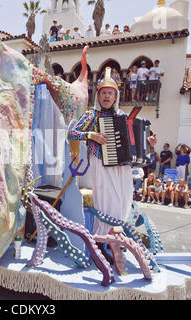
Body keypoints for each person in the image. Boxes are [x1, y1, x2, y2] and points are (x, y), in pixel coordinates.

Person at [68, 67, 157, 261]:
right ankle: (100, 243)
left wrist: (148, 144)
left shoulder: (124, 117)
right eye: (103, 93)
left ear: (115, 96)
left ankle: (115, 240)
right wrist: (91, 135)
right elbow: (72, 133)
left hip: (123, 166)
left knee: (123, 203)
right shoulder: (92, 116)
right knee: (106, 204)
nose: (107, 96)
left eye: (110, 93)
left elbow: (136, 144)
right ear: (98, 96)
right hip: (101, 164)